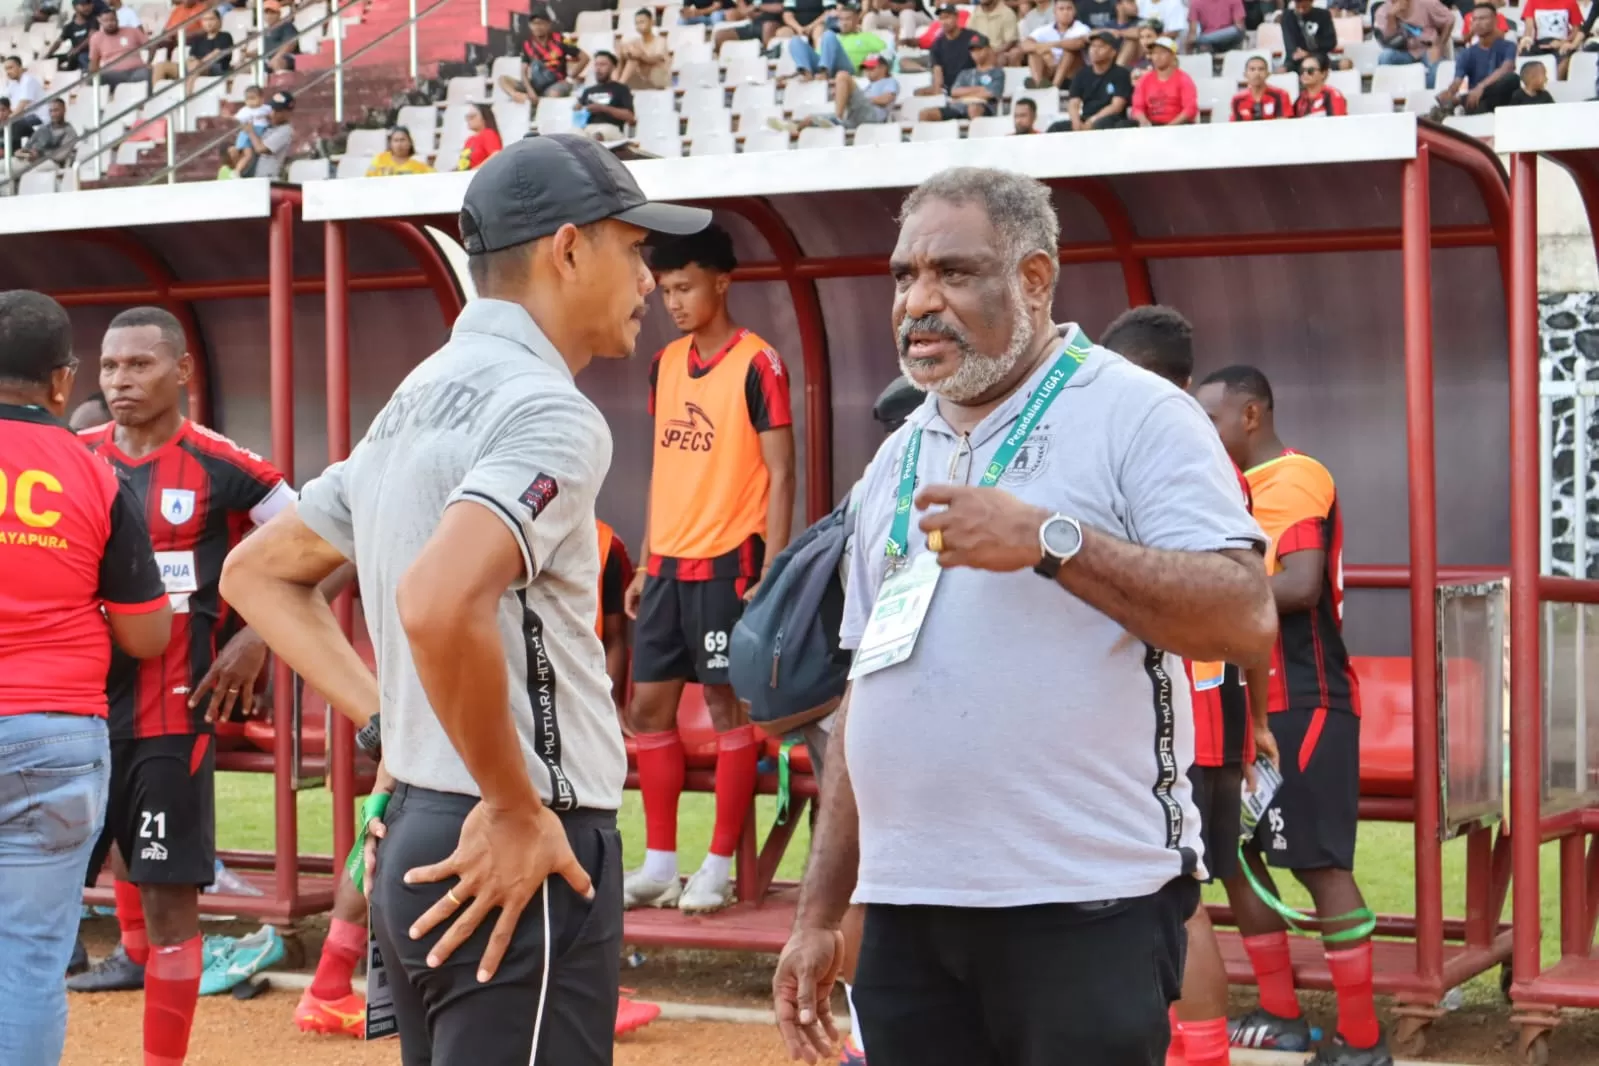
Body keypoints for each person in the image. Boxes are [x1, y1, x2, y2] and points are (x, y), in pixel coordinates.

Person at [220, 132, 712, 1065]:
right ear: (569, 249)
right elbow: (439, 599)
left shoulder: (419, 392)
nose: (651, 276)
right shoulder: (547, 408)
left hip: (421, 820)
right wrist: (516, 808)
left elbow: (257, 574)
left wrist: (386, 725)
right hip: (519, 834)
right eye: (634, 245)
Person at [771, 166, 1276, 1066]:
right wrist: (818, 916)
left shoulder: (1136, 412)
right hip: (907, 908)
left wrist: (1051, 542)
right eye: (903, 276)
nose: (918, 303)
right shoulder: (895, 459)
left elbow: (1243, 615)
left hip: (1082, 900)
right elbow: (862, 700)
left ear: (1034, 280)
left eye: (953, 273)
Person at [291, 517, 657, 1042]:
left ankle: (331, 980)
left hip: (459, 742)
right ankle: (333, 981)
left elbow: (264, 573)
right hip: (487, 743)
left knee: (389, 825)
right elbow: (428, 603)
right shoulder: (480, 509)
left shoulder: (599, 540)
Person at [64, 307, 315, 1066]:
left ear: (182, 371)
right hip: (70, 715)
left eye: (138, 365)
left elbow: (328, 540)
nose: (119, 381)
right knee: (35, 908)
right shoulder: (73, 458)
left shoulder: (221, 464)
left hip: (173, 719)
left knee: (173, 909)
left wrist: (258, 637)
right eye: (108, 367)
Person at [1103, 306, 1279, 1066]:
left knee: (1178, 900)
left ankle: (1200, 1053)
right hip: (1202, 709)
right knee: (1175, 894)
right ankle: (1190, 1047)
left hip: (1182, 710)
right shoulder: (1205, 463)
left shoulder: (1164, 454)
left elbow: (1252, 608)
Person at [1195, 367, 1385, 1066]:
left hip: (1304, 700)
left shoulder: (1294, 476)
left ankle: (1362, 1039)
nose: (1204, 437)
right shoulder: (1227, 488)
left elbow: (1300, 585)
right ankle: (1280, 1015)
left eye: (1211, 421)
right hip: (1241, 702)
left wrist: (1199, 591)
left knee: (1317, 862)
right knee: (1234, 854)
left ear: (1250, 415)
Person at [0, 290, 171, 1066]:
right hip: (56, 734)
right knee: (32, 959)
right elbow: (146, 631)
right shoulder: (94, 472)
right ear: (64, 383)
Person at [622, 222, 796, 916]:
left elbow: (781, 474)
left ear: (722, 282)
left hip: (731, 564)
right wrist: (643, 557)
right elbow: (667, 467)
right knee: (647, 708)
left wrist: (774, 570)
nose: (674, 301)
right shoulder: (662, 364)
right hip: (665, 565)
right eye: (665, 290)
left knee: (728, 707)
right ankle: (660, 863)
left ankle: (718, 866)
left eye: (685, 287)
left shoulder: (759, 363)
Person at [1433, 3, 1518, 115]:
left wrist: (1481, 88)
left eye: (1482, 19)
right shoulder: (1467, 53)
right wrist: (1449, 92)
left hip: (1503, 102)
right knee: (1480, 103)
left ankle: (1460, 101)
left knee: (1512, 79)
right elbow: (1457, 81)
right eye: (1474, 19)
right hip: (1477, 103)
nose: (1477, 23)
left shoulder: (1508, 46)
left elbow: (1506, 68)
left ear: (1495, 21)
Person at [1050, 30, 1134, 129]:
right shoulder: (1081, 73)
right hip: (1086, 117)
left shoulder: (1121, 74)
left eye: (1101, 47)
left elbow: (1116, 106)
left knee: (1100, 124)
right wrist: (1075, 121)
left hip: (1111, 119)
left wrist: (1093, 120)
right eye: (1093, 46)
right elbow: (1074, 102)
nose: (1095, 50)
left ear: (1113, 53)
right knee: (1056, 128)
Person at [502, 6, 585, 102]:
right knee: (503, 80)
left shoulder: (561, 39)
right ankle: (520, 98)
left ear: (548, 24)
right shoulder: (527, 44)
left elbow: (585, 57)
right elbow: (523, 73)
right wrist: (529, 90)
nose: (537, 27)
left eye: (541, 23)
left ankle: (539, 107)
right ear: (530, 25)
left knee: (553, 94)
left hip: (557, 83)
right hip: (535, 85)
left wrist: (570, 77)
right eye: (534, 24)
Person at [919, 33, 1004, 120]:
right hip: (958, 108)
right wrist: (980, 89)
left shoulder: (996, 72)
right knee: (926, 114)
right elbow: (954, 92)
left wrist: (963, 96)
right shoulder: (965, 73)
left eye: (979, 49)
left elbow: (991, 93)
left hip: (983, 107)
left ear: (988, 49)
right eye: (972, 50)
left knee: (973, 109)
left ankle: (976, 132)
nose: (975, 53)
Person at [1373, 0, 1453, 90]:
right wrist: (1391, 17)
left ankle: (1425, 95)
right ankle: (1390, 95)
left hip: (1427, 47)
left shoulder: (1427, 2)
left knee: (1437, 68)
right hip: (1403, 51)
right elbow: (1389, 39)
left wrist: (1439, 45)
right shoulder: (1383, 11)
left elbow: (1449, 19)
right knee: (1385, 57)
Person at [1022, 0, 1091, 87]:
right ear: (1055, 12)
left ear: (1074, 11)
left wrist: (1050, 45)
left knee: (1069, 52)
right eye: (1061, 9)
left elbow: (1079, 43)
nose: (1065, 12)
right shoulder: (1045, 29)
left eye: (1069, 9)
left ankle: (1054, 87)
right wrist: (1044, 50)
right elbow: (1025, 45)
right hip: (1050, 69)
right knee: (1034, 53)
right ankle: (1038, 84)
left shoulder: (1081, 28)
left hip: (1072, 73)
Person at [1131, 35, 1197, 124]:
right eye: (1154, 53)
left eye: (1162, 52)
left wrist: (1170, 127)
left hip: (1178, 126)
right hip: (1152, 124)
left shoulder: (1184, 79)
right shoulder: (1145, 80)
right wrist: (1144, 121)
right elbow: (1137, 108)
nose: (1157, 57)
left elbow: (1190, 109)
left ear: (1173, 55)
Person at [234, 89, 295, 180]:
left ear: (287, 112)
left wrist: (250, 131)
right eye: (272, 109)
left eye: (278, 111)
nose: (273, 113)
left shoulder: (285, 130)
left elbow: (261, 148)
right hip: (255, 177)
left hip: (268, 178)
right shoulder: (268, 124)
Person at [576, 52, 636, 139]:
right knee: (572, 135)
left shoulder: (621, 89)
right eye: (596, 65)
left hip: (611, 128)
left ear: (613, 67)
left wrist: (603, 108)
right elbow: (579, 112)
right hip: (588, 128)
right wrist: (578, 108)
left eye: (603, 64)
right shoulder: (588, 91)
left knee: (597, 136)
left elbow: (630, 116)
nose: (598, 68)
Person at [88, 7, 151, 86]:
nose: (110, 23)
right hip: (112, 74)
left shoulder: (132, 31)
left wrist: (149, 62)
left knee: (148, 73)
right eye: (106, 21)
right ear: (100, 22)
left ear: (117, 20)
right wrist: (92, 75)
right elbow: (93, 62)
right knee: (92, 80)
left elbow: (152, 45)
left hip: (136, 71)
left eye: (112, 20)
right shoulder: (96, 38)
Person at [16, 97, 79, 167]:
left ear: (64, 110)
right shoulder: (43, 128)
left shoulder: (70, 132)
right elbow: (27, 146)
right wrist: (22, 152)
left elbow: (60, 156)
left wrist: (39, 154)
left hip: (50, 163)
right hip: (28, 159)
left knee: (27, 174)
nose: (53, 114)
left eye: (56, 110)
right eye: (51, 111)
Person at [618, 8, 670, 90]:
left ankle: (618, 87)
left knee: (635, 58)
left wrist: (640, 55)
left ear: (652, 22)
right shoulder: (635, 42)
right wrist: (626, 53)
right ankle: (616, 85)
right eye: (637, 23)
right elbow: (624, 53)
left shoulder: (660, 40)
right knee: (622, 54)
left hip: (658, 79)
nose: (639, 26)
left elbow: (655, 59)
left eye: (642, 22)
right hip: (642, 79)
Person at [1279, 0, 1337, 72]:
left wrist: (1308, 53)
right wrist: (1296, 53)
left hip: (1318, 56)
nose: (1301, 10)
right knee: (1281, 71)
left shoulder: (1323, 15)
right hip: (1295, 60)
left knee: (1345, 64)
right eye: (1298, 7)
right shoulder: (1288, 16)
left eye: (1304, 7)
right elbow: (1289, 43)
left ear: (1311, 2)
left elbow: (1331, 41)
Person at [366, 126, 433, 176]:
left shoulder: (419, 165)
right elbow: (368, 180)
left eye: (402, 140)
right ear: (390, 144)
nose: (399, 144)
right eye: (396, 140)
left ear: (410, 143)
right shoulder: (379, 159)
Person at [458, 103, 502, 171]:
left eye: (472, 116)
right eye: (467, 117)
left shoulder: (488, 134)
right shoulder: (469, 140)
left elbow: (496, 155)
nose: (468, 120)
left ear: (484, 118)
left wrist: (475, 170)